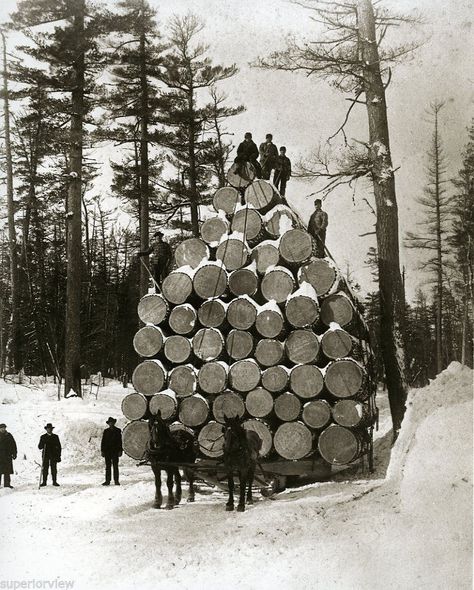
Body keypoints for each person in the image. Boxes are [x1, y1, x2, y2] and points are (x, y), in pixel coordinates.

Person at [101, 417, 123, 486]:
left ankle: (116, 481)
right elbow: (103, 442)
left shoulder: (118, 431)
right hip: (107, 451)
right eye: (110, 423)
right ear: (108, 424)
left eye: (112, 422)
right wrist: (102, 451)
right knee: (108, 467)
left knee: (115, 466)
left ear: (114, 423)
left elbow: (120, 441)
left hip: (115, 451)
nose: (111, 424)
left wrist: (120, 450)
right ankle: (107, 481)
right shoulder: (106, 431)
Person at [0, 424, 17, 488]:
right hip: (0, 457)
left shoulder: (9, 435)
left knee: (7, 471)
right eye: (1, 428)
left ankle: (7, 485)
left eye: (4, 428)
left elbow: (13, 445)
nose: (3, 429)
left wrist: (14, 453)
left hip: (7, 456)